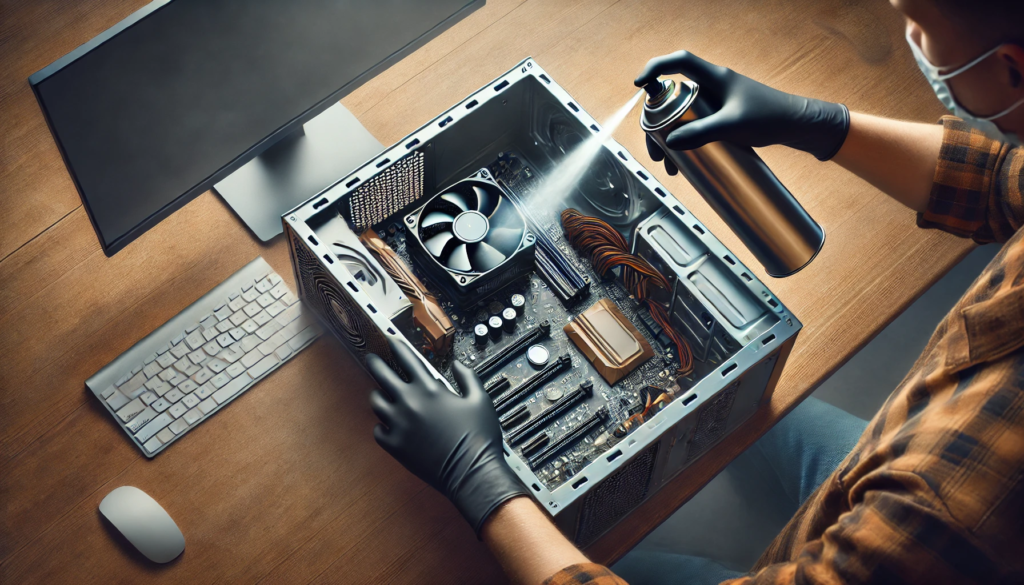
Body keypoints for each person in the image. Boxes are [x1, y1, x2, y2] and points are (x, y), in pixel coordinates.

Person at [365, 0, 1024, 582]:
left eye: (915, 21)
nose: (901, 24)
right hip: (899, 440)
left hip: (919, 511)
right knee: (753, 413)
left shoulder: (944, 513)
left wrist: (476, 476)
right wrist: (818, 123)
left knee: (581, 558)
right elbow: (1002, 183)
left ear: (1011, 69)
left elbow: (927, 518)